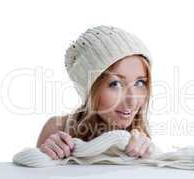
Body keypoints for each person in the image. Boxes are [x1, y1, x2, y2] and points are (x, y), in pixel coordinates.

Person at [36, 25, 157, 160]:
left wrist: (149, 158)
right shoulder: (58, 129)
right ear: (89, 90)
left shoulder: (140, 136)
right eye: (115, 84)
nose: (132, 101)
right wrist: (46, 155)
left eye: (140, 83)